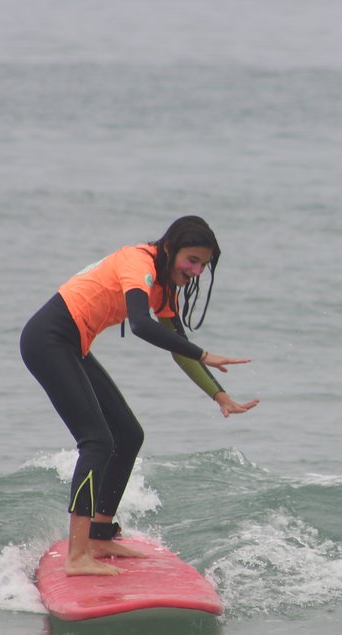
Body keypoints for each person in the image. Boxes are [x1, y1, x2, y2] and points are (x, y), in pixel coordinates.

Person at [20, 215, 259, 576]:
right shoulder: (139, 263)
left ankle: (99, 535)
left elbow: (180, 349)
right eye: (191, 260)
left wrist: (219, 395)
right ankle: (77, 555)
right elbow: (139, 323)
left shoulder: (165, 287)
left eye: (203, 265)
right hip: (48, 338)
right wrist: (203, 353)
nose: (196, 270)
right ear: (170, 248)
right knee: (97, 441)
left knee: (129, 435)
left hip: (72, 344)